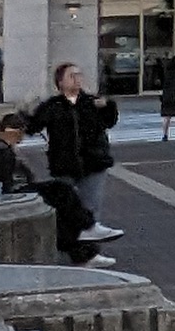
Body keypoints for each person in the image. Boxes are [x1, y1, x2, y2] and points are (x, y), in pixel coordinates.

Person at [0, 107, 119, 262]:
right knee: (60, 193)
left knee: (59, 195)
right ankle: (86, 235)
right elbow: (0, 186)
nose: (21, 139)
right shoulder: (1, 151)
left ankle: (84, 244)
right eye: (20, 135)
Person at [31, 62, 121, 233]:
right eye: (72, 76)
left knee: (90, 208)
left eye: (79, 75)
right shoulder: (53, 106)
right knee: (66, 208)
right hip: (64, 164)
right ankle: (72, 248)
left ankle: (90, 252)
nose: (77, 79)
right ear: (60, 82)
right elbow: (33, 126)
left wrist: (109, 106)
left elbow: (110, 121)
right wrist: (26, 113)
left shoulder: (91, 102)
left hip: (93, 162)